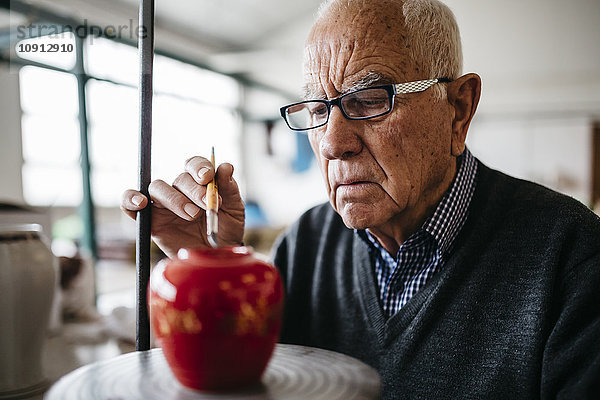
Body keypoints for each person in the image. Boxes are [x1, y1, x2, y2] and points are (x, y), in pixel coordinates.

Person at [122, 0, 600, 398]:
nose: (332, 143)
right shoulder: (307, 245)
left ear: (458, 110)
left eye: (370, 98)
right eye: (315, 107)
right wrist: (211, 263)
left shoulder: (573, 258)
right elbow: (243, 386)